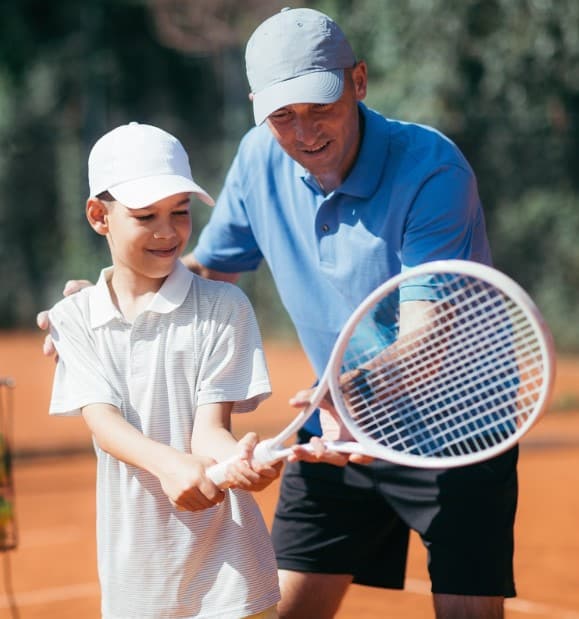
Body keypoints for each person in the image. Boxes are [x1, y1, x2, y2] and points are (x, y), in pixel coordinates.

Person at [38, 7, 518, 619]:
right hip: (335, 428)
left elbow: (429, 338)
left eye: (322, 108)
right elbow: (201, 276)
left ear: (360, 82)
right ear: (257, 108)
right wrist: (104, 298)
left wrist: (349, 394)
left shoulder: (433, 171)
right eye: (283, 116)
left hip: (455, 429)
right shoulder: (259, 158)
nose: (304, 132)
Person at [46, 121, 281, 619]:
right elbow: (105, 425)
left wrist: (238, 461)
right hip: (137, 582)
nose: (168, 231)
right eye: (145, 215)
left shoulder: (225, 306)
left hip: (232, 580)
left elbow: (209, 432)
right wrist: (169, 466)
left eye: (180, 212)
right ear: (98, 216)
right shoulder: (72, 317)